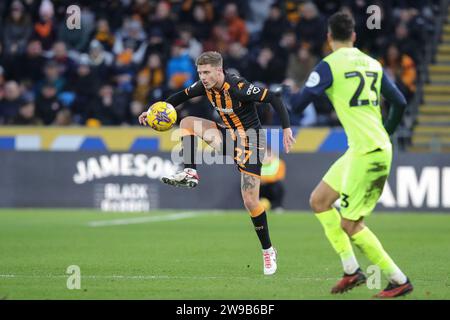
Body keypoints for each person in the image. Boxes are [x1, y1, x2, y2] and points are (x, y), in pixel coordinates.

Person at [288, 12, 413, 298]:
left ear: (329, 38)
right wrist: (385, 131)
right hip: (364, 147)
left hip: (368, 152)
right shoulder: (373, 63)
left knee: (350, 223)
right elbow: (400, 102)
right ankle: (351, 270)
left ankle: (398, 279)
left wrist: (287, 93)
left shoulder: (329, 65)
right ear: (354, 36)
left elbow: (299, 104)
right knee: (319, 201)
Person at [138, 51, 295, 275]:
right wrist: (153, 110)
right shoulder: (205, 85)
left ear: (219, 71)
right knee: (187, 122)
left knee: (250, 201)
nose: (202, 77)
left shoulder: (238, 86)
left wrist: (286, 128)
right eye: (200, 72)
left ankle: (268, 250)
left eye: (206, 72)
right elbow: (178, 98)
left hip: (252, 143)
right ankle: (190, 172)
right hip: (228, 137)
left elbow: (274, 98)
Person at [260, 148, 286, 212]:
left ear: (274, 155)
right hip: (259, 186)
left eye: (269, 154)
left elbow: (279, 177)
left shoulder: (279, 163)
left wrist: (264, 179)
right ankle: (252, 206)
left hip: (271, 187)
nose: (266, 157)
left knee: (278, 186)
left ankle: (277, 206)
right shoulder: (256, 163)